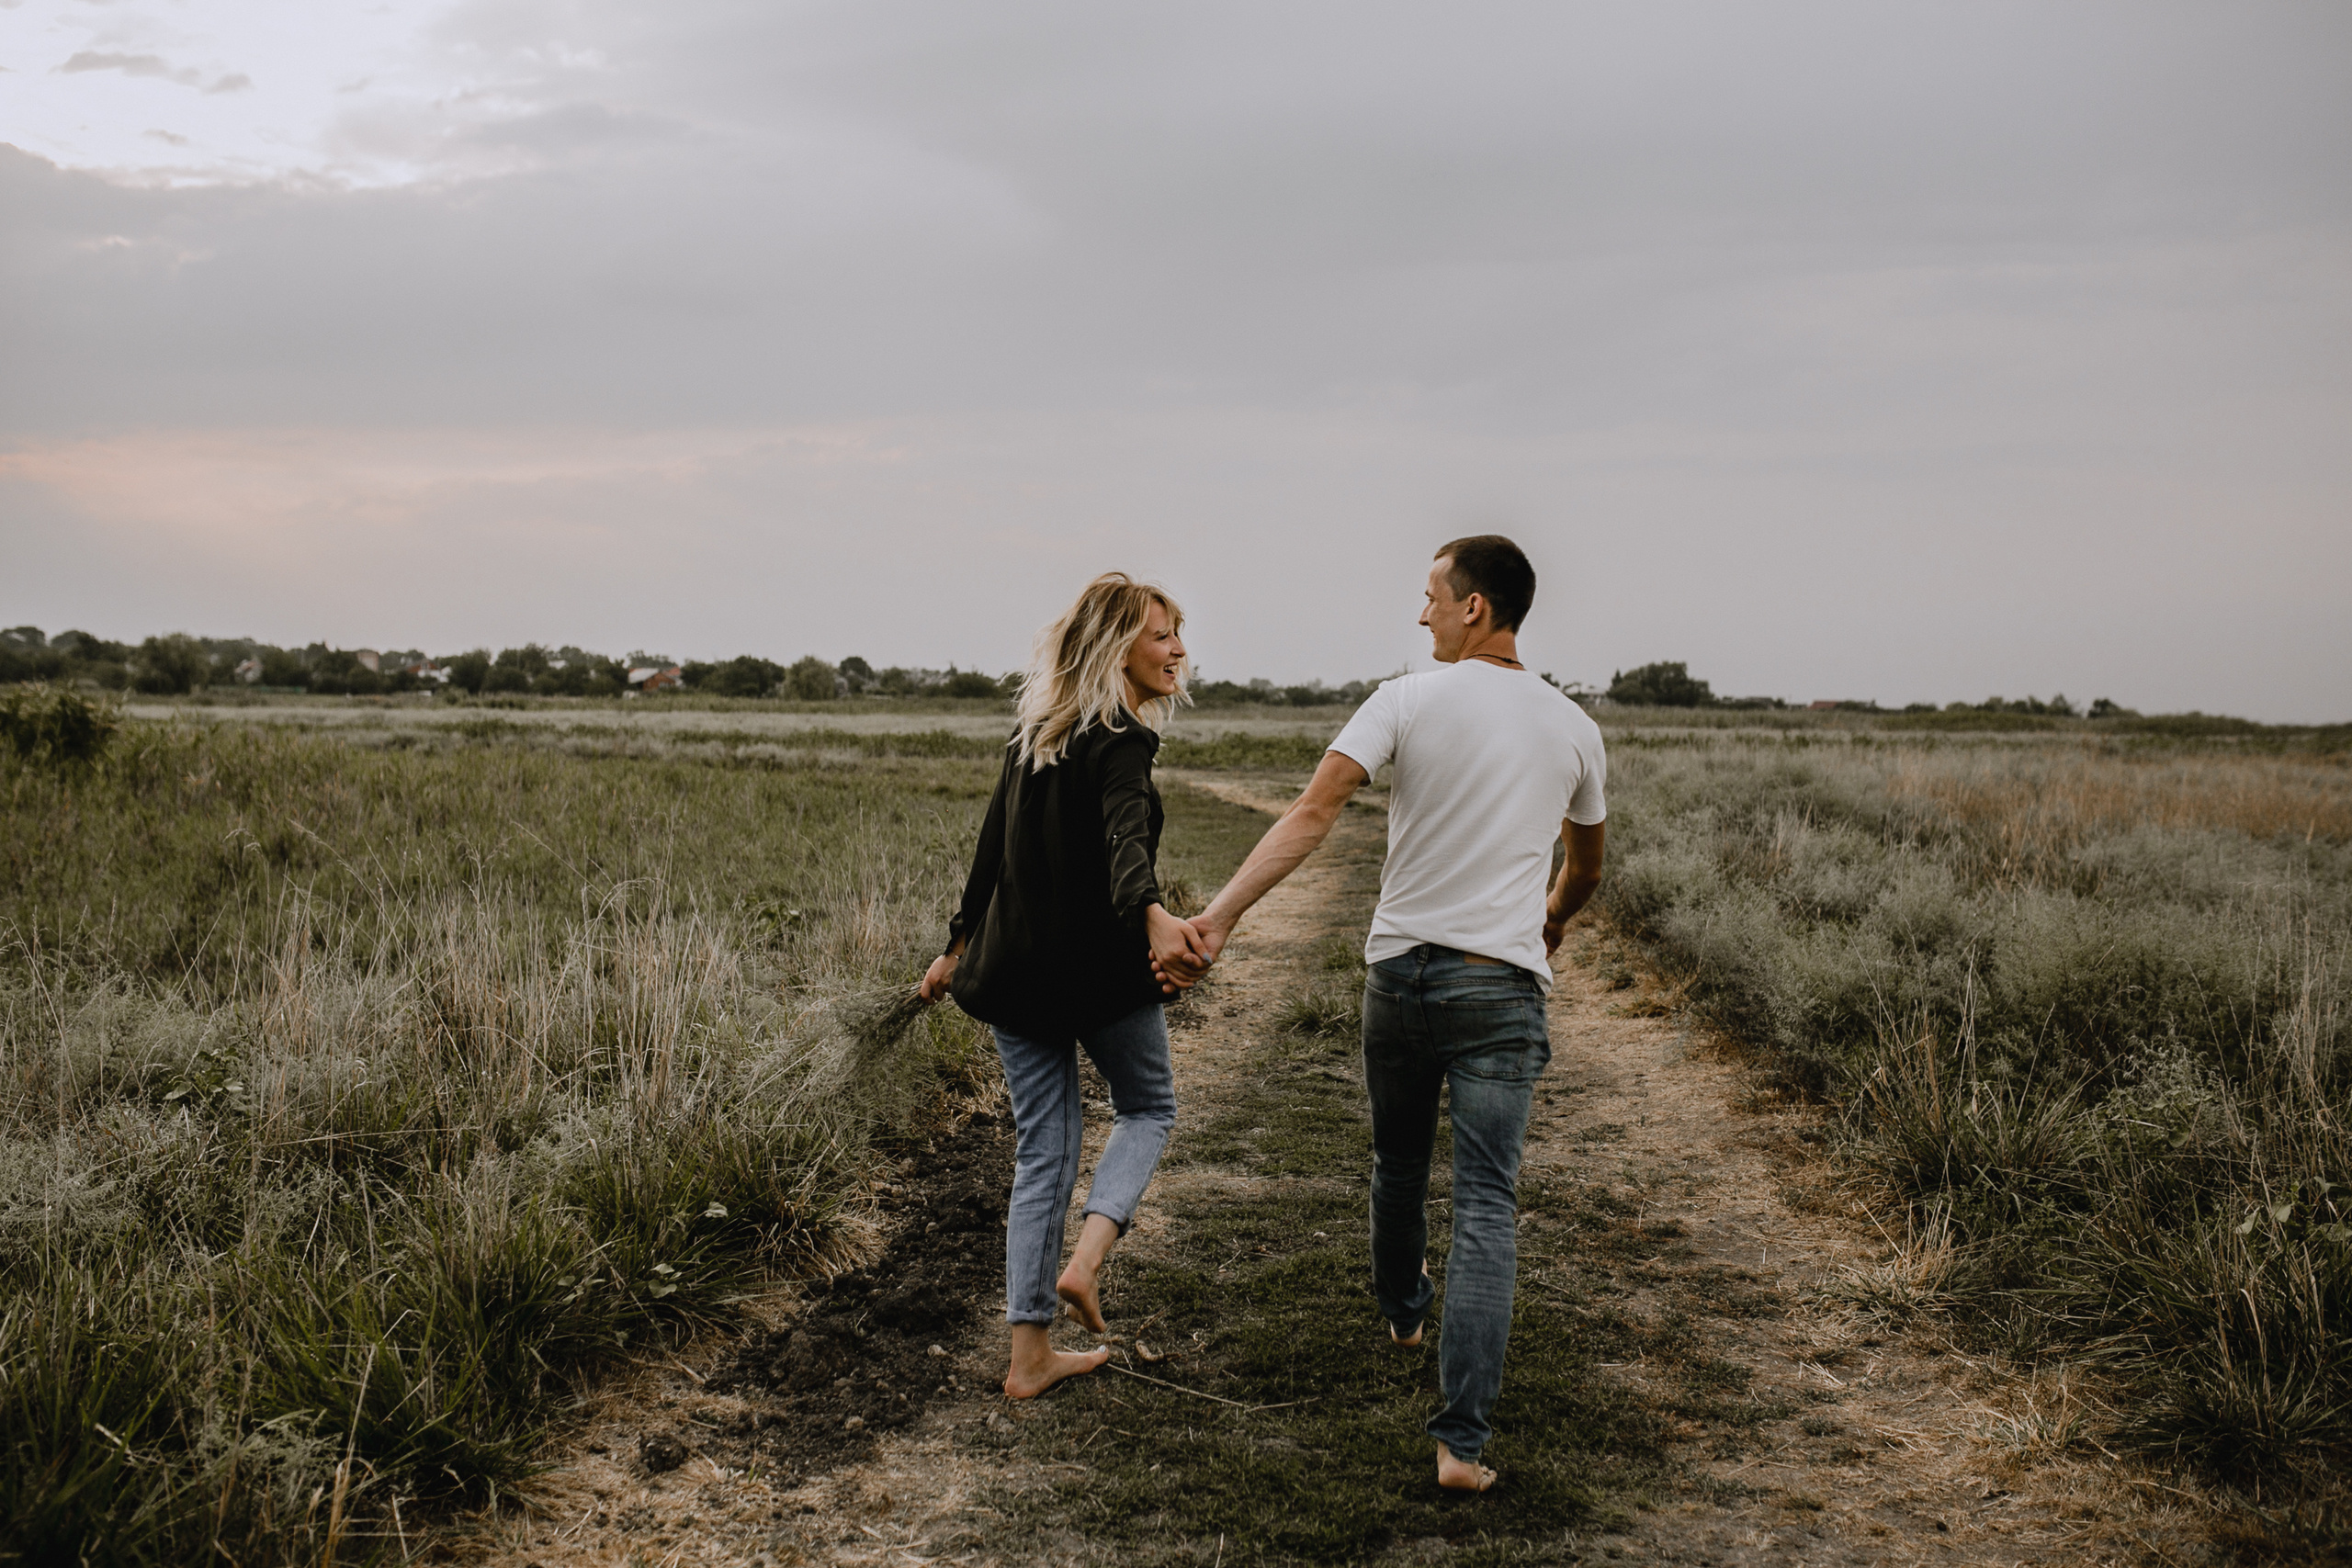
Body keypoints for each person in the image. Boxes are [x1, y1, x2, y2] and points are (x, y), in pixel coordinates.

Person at [1166, 535, 1606, 1492]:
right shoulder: (1574, 727)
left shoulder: (1403, 698)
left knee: (1399, 1161)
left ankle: (1404, 1309)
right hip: (1500, 987)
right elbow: (1587, 866)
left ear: (1475, 607)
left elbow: (1312, 815)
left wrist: (1217, 918)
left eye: (1431, 597)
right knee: (1487, 1201)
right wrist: (1552, 922)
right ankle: (1461, 1445)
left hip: (1400, 976)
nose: (1422, 615)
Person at [919, 572, 1210, 1400]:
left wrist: (956, 948)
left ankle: (1028, 1356)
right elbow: (1128, 845)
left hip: (1011, 973)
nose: (1179, 649)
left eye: (1178, 632)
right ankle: (1085, 1262)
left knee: (1042, 1150)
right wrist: (1153, 915)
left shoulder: (1034, 733)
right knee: (1149, 1106)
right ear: (1119, 647)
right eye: (1162, 634)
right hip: (1096, 974)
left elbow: (989, 854)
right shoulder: (1121, 740)